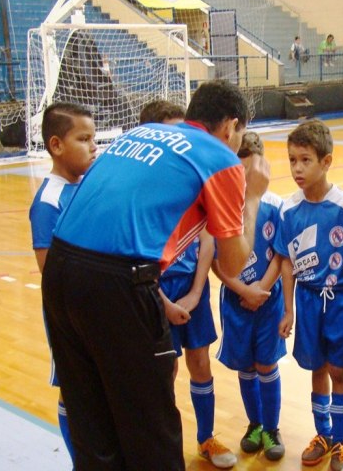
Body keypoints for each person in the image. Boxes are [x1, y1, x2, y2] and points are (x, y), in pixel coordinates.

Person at [41, 79, 270, 470]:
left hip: (60, 271)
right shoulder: (222, 158)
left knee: (91, 420)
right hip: (117, 283)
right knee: (150, 428)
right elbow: (233, 265)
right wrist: (252, 197)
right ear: (231, 126)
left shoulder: (142, 132)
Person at [139, 100, 238, 469]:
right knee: (166, 371)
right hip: (155, 294)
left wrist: (197, 292)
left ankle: (206, 437)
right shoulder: (146, 191)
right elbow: (139, 253)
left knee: (200, 362)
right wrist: (163, 300)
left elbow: (210, 236)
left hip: (193, 291)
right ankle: (165, 445)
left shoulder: (195, 181)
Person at [275, 119, 343, 471]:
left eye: (305, 160)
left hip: (339, 301)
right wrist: (289, 310)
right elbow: (286, 264)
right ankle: (323, 434)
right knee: (316, 368)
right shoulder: (288, 210)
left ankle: (342, 441)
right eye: (292, 159)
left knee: (338, 369)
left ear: (326, 162)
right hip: (309, 301)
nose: (297, 168)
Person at [29, 102, 97, 466]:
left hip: (100, 308)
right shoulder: (48, 202)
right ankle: (79, 461)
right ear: (56, 145)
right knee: (73, 390)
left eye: (94, 138)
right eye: (84, 139)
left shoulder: (91, 186)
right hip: (68, 316)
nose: (93, 146)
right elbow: (51, 274)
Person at [212, 131, 287, 463]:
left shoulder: (276, 207)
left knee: (267, 363)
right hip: (236, 300)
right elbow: (215, 260)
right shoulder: (221, 210)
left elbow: (282, 254)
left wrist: (262, 289)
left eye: (247, 172)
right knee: (246, 365)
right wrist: (243, 290)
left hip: (269, 300)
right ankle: (254, 424)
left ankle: (272, 428)